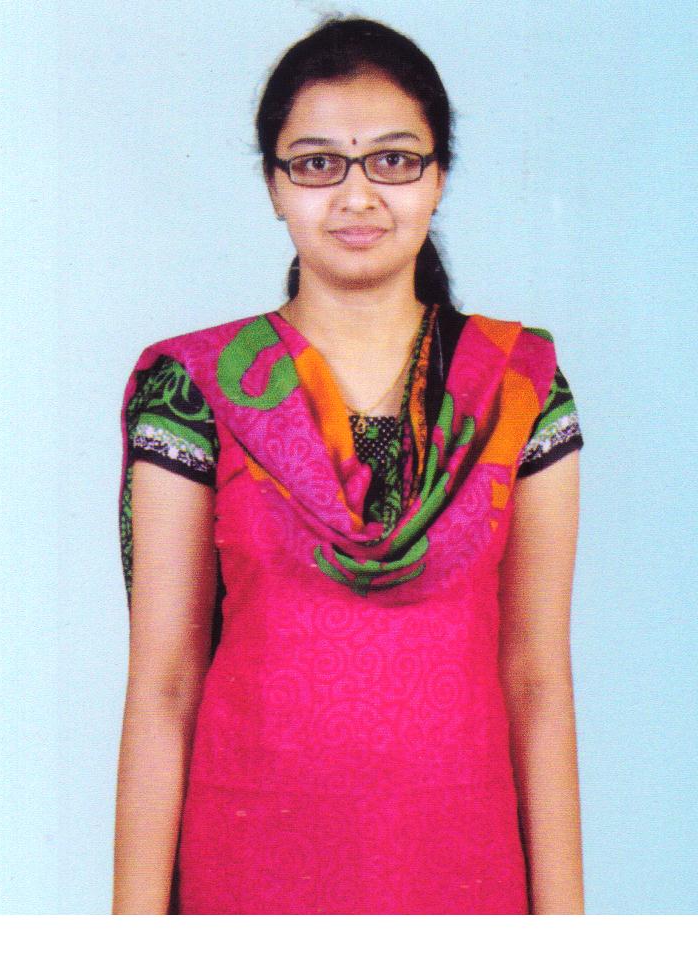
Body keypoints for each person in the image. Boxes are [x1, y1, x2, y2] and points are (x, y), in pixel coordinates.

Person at [113, 16, 584, 915]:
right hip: (250, 869)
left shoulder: (517, 387)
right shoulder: (196, 387)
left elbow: (536, 681)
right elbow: (165, 684)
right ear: (273, 184)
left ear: (439, 176)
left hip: (461, 869)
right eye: (318, 163)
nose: (357, 196)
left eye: (394, 160)